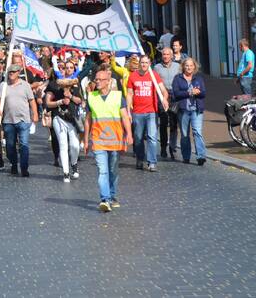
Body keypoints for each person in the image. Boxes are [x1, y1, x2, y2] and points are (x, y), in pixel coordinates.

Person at [82, 66, 132, 213]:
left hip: (115, 140)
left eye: (100, 79)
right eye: (95, 79)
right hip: (98, 140)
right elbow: (87, 121)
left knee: (113, 170)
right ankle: (105, 199)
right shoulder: (91, 97)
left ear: (108, 81)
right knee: (102, 171)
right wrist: (86, 140)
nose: (97, 81)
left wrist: (129, 134)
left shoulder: (118, 97)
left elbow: (124, 117)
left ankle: (112, 195)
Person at [126, 55, 168, 172]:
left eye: (146, 62)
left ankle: (152, 162)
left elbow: (163, 90)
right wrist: (129, 111)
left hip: (151, 111)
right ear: (139, 63)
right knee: (138, 138)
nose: (144, 65)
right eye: (142, 62)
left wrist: (164, 99)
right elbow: (129, 94)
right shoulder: (133, 76)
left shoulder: (154, 75)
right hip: (137, 112)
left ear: (150, 63)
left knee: (152, 137)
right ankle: (140, 158)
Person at [46, 59, 84, 182]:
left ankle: (74, 164)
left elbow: (80, 101)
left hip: (72, 118)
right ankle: (66, 172)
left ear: (74, 70)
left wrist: (71, 96)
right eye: (64, 67)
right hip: (59, 116)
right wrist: (60, 101)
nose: (67, 70)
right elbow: (48, 103)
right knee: (63, 144)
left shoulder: (76, 83)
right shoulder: (53, 84)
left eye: (70, 67)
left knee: (74, 145)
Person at [0, 65, 37, 177]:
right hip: (8, 120)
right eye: (10, 72)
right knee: (10, 145)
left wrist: (35, 114)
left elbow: (32, 100)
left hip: (23, 119)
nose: (11, 73)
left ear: (18, 72)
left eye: (14, 72)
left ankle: (24, 168)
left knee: (24, 144)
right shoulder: (3, 85)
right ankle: (14, 163)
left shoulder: (25, 85)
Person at [171, 57, 207, 165]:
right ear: (183, 67)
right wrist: (189, 93)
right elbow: (176, 94)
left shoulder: (198, 78)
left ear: (194, 67)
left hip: (196, 109)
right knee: (185, 134)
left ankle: (201, 156)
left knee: (197, 132)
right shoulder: (178, 78)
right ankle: (186, 156)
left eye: (191, 65)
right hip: (183, 110)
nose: (189, 67)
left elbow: (203, 93)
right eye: (186, 65)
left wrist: (197, 92)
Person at [153, 47, 182, 160]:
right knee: (164, 123)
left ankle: (172, 146)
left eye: (167, 54)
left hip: (175, 96)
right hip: (162, 96)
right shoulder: (157, 67)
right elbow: (155, 83)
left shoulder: (177, 67)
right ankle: (163, 147)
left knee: (174, 124)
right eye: (163, 54)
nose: (165, 56)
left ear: (171, 55)